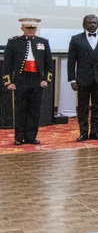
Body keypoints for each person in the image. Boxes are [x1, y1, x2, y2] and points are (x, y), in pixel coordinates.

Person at [3, 18, 54, 146]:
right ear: (22, 29)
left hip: (37, 80)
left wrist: (46, 80)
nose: (31, 31)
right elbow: (7, 65)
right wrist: (8, 82)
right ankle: (19, 137)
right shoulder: (14, 42)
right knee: (20, 110)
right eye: (28, 28)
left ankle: (31, 136)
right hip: (21, 80)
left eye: (33, 28)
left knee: (34, 110)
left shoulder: (43, 42)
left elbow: (48, 64)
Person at [67, 14, 98, 141]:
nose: (92, 25)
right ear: (84, 25)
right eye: (89, 23)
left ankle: (95, 132)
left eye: (94, 22)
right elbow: (71, 61)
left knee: (97, 107)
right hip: (82, 79)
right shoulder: (76, 39)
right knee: (82, 108)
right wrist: (72, 79)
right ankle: (83, 133)